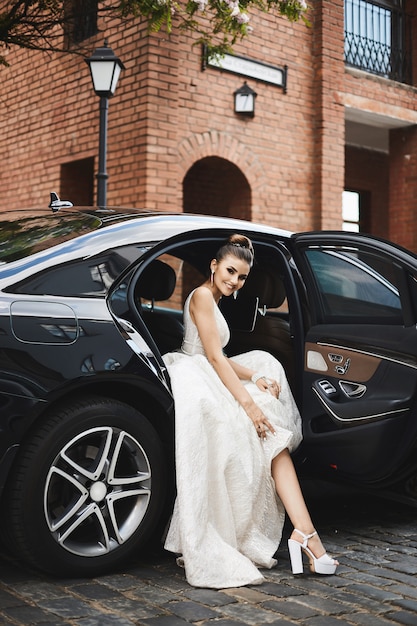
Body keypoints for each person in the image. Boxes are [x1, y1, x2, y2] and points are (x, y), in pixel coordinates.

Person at [163, 234, 338, 588]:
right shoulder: (200, 295)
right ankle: (306, 534)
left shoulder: (213, 297)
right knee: (265, 426)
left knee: (267, 373)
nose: (234, 281)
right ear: (214, 266)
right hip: (195, 373)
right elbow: (211, 357)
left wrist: (254, 376)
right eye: (229, 271)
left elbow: (220, 357)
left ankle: (305, 533)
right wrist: (247, 405)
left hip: (208, 368)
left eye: (241, 277)